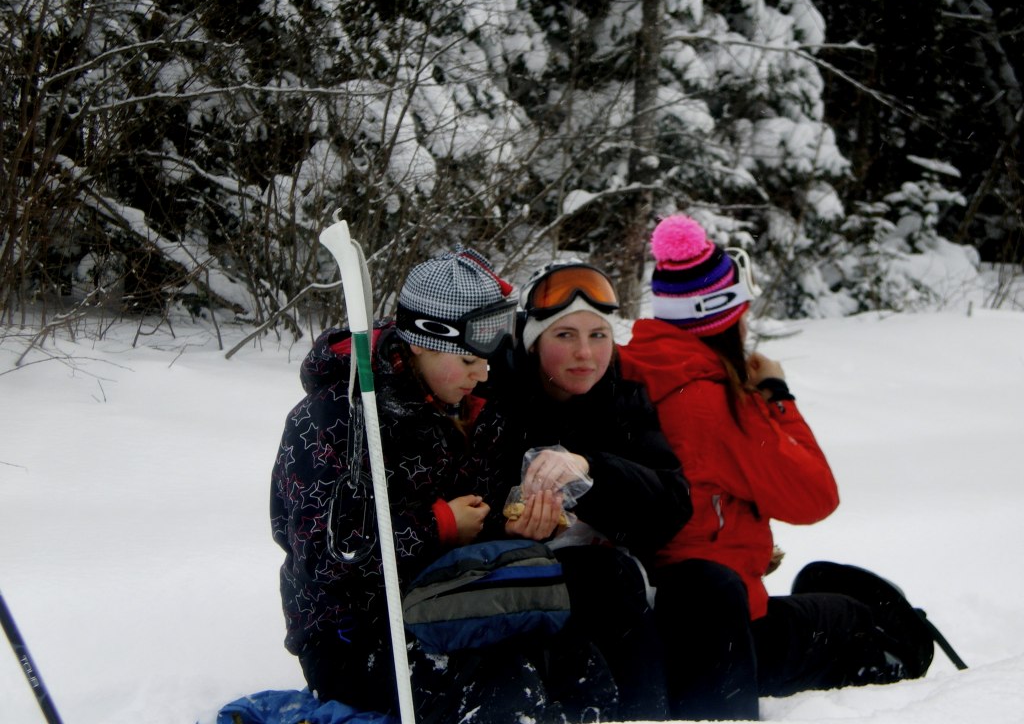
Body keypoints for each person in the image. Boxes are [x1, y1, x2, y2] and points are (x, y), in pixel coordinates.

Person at [617, 214, 935, 720]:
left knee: (822, 600)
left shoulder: (630, 368)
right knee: (859, 623)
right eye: (741, 313)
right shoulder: (711, 402)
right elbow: (814, 496)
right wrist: (777, 397)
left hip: (653, 612)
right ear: (721, 319)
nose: (746, 325)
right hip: (725, 629)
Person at [270, 247, 566, 724]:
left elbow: (485, 513)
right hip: (354, 633)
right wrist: (437, 525)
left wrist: (514, 524)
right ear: (422, 342)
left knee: (571, 655)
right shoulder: (335, 416)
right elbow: (323, 558)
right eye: (467, 359)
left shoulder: (478, 406)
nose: (482, 374)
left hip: (460, 597)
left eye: (486, 361)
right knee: (500, 685)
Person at [488, 260, 694, 722]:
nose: (585, 353)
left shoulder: (623, 400)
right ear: (533, 341)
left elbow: (673, 506)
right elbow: (472, 501)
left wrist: (591, 470)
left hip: (617, 581)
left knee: (709, 586)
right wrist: (512, 529)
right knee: (604, 576)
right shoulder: (497, 396)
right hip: (522, 594)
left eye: (598, 335)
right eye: (565, 335)